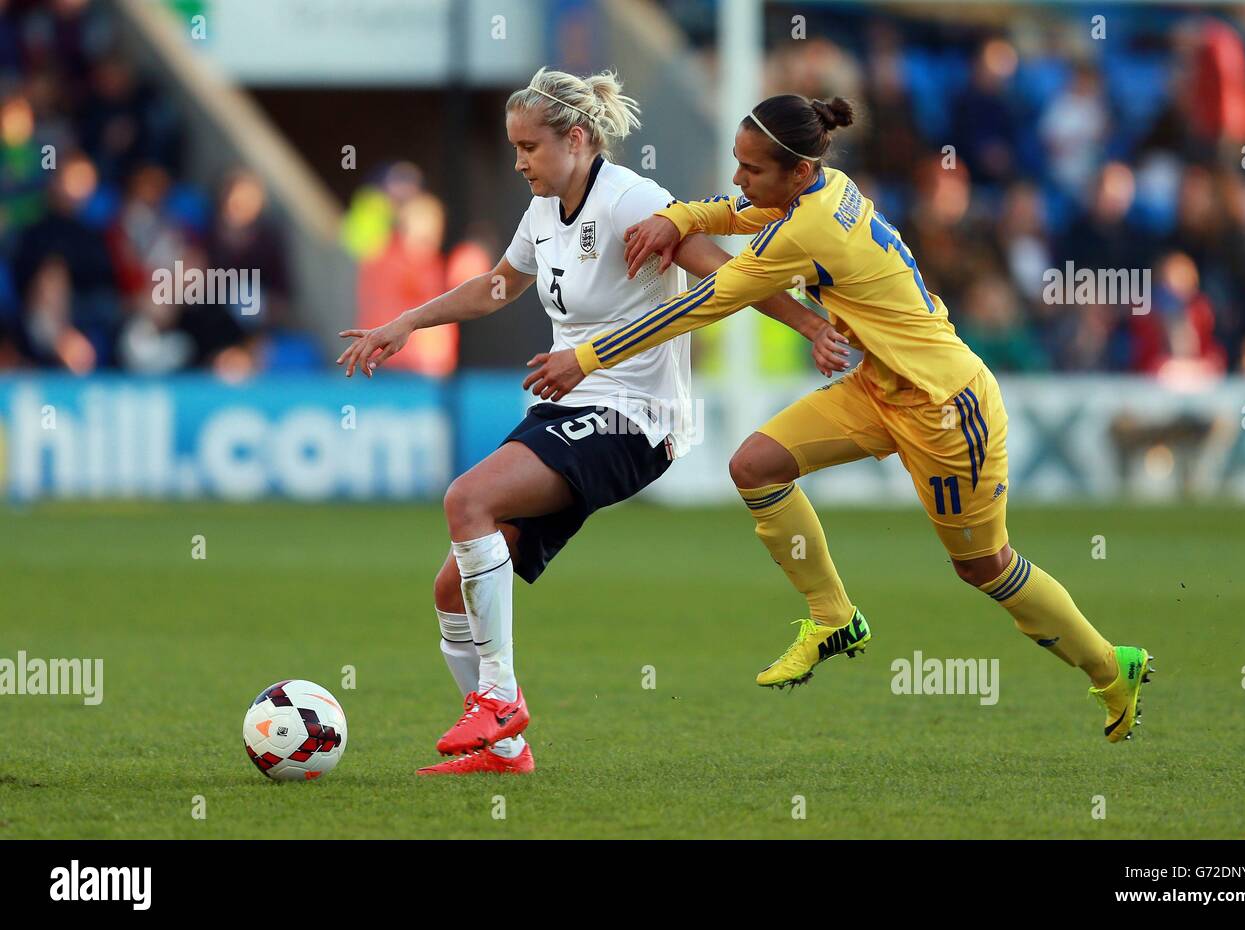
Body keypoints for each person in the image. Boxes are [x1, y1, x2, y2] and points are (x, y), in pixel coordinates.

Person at [523, 94, 1154, 743]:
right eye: (738, 164)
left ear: (795, 172)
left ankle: (1111, 666)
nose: (740, 179)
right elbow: (735, 209)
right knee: (755, 467)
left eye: (752, 168)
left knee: (984, 566)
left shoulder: (810, 228)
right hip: (878, 386)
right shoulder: (819, 188)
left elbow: (703, 304)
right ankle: (833, 617)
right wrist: (678, 215)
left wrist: (587, 358)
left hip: (945, 406)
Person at [335, 71, 841, 774]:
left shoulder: (634, 200)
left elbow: (721, 274)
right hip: (570, 411)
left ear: (575, 139)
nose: (518, 162)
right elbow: (495, 287)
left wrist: (811, 325)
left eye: (529, 147)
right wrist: (406, 322)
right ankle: (505, 749)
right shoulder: (543, 208)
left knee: (467, 500)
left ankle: (499, 700)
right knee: (452, 589)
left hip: (635, 419)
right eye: (514, 148)